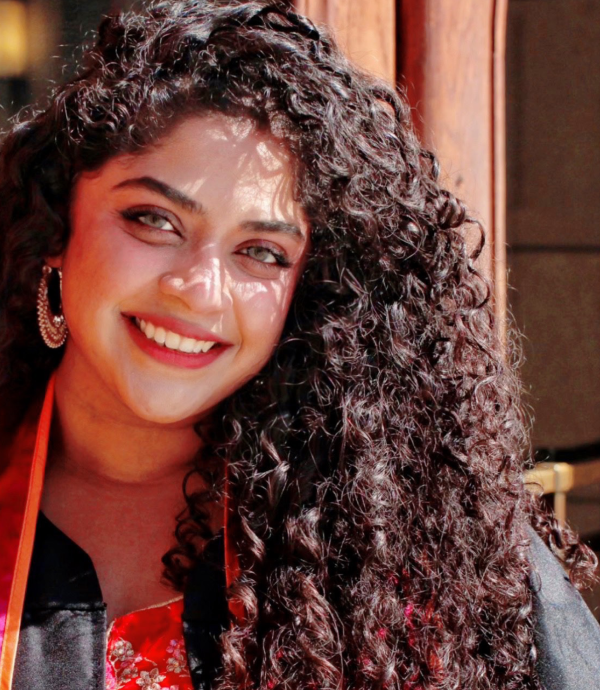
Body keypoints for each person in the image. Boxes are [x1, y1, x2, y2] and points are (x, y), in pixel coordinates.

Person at [1, 1, 600, 689]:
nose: (199, 290)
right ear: (55, 226)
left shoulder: (407, 551)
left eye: (262, 251)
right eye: (153, 219)